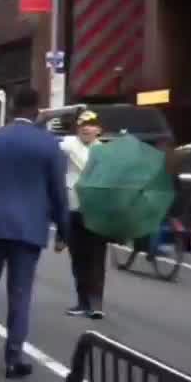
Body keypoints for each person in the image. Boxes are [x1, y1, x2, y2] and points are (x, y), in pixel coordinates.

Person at [0, 86, 69, 379]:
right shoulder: (48, 145)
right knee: (20, 294)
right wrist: (63, 230)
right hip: (28, 228)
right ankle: (13, 358)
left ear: (11, 109)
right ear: (36, 111)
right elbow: (58, 191)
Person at [61, 110, 108, 319]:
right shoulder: (68, 145)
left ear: (99, 130)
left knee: (96, 258)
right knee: (78, 259)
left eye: (91, 125)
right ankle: (82, 302)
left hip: (96, 212)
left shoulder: (106, 153)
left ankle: (96, 304)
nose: (87, 129)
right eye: (82, 125)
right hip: (73, 210)